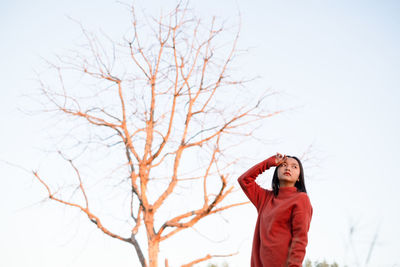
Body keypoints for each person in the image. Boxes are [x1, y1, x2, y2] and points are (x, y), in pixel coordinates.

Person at [238, 153, 313, 267]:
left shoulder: (301, 199)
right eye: (283, 164)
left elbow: (300, 238)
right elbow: (244, 180)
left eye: (294, 167)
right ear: (276, 171)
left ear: (299, 177)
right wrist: (269, 163)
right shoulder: (264, 198)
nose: (288, 168)